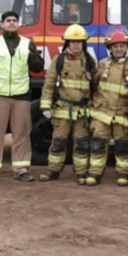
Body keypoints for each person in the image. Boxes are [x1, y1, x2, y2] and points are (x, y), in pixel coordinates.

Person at [0, 11, 44, 184]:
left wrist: (33, 55)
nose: (11, 23)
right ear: (2, 24)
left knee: (22, 133)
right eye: (8, 20)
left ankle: (21, 169)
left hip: (22, 96)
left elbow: (38, 68)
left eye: (15, 20)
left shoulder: (27, 44)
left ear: (18, 24)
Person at [39, 24, 97, 184]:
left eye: (79, 42)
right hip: (62, 110)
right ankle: (53, 171)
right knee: (58, 142)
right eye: (72, 41)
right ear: (67, 43)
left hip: (82, 112)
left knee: (82, 144)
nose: (76, 44)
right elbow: (49, 84)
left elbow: (95, 87)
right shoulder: (59, 60)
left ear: (83, 43)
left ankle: (81, 174)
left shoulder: (90, 61)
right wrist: (45, 106)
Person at [86, 30, 128, 187]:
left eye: (121, 46)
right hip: (102, 113)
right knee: (98, 143)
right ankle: (95, 173)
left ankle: (123, 173)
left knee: (122, 145)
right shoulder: (103, 64)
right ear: (110, 48)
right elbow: (94, 86)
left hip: (122, 113)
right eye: (115, 46)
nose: (118, 49)